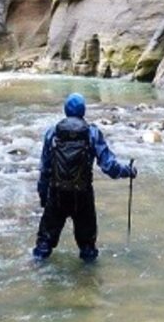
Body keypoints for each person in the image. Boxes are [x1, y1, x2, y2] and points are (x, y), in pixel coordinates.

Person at [32, 92, 137, 262]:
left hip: (57, 194)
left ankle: (37, 275)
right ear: (83, 111)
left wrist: (44, 196)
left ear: (65, 110)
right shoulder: (92, 133)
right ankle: (89, 282)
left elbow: (45, 169)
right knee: (87, 247)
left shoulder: (53, 132)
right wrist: (128, 171)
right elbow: (109, 166)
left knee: (44, 244)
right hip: (83, 195)